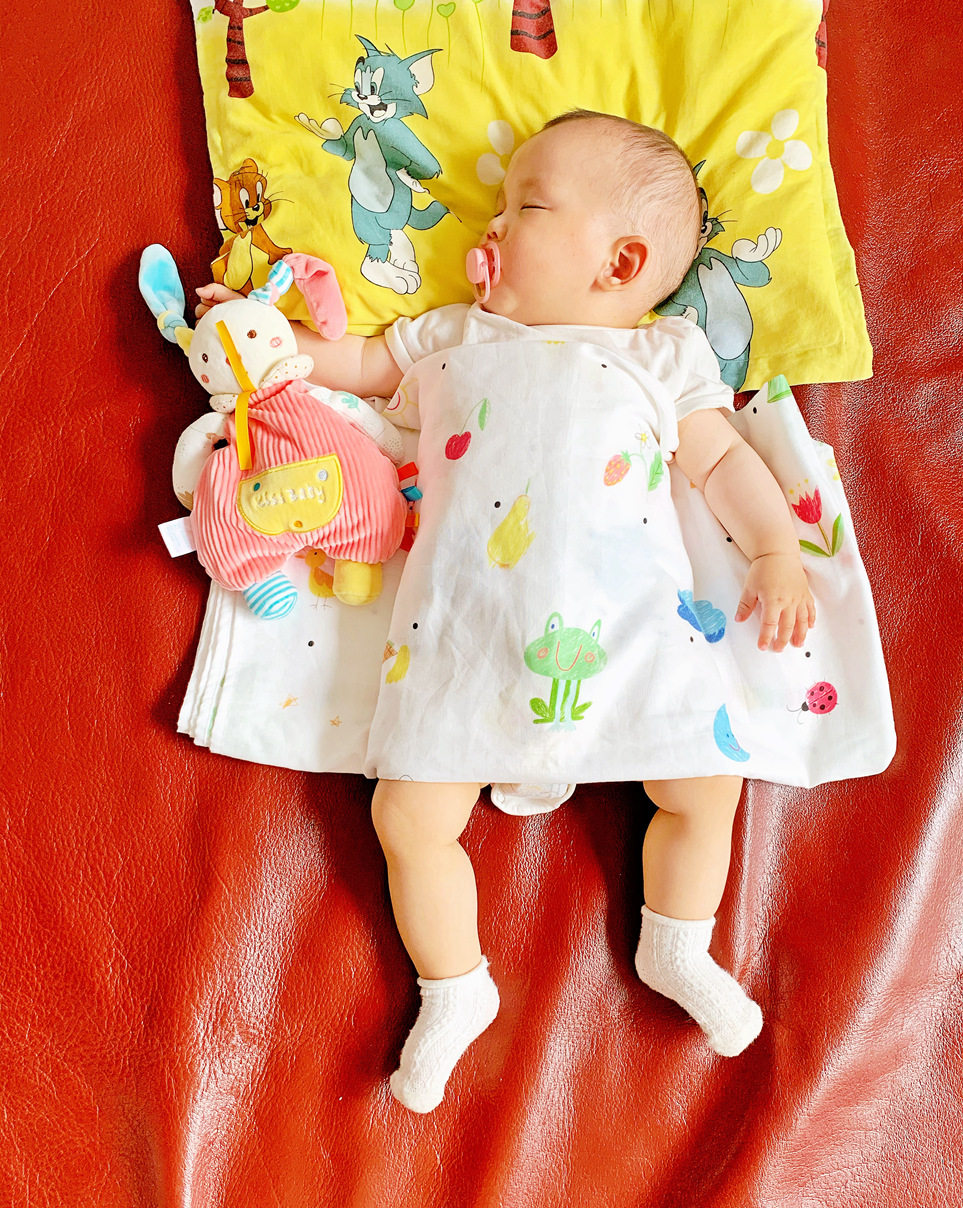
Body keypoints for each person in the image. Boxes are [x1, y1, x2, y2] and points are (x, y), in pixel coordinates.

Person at [198, 111, 816, 1113]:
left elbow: (723, 463)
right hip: (462, 638)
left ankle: (677, 942)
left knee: (706, 785)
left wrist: (777, 552)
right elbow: (356, 364)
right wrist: (261, 342)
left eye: (525, 205)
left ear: (620, 263)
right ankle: (455, 986)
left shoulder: (664, 355)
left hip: (629, 638)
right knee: (407, 817)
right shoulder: (454, 335)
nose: (491, 223)